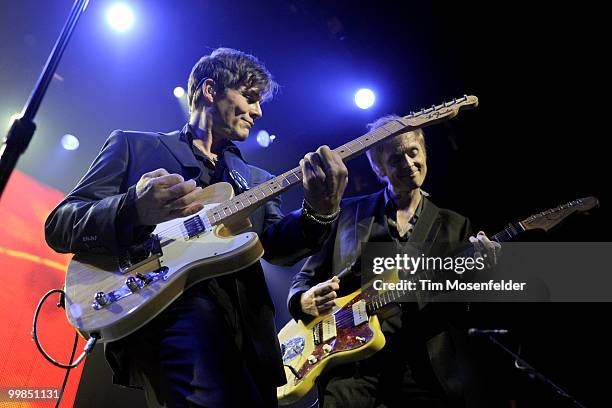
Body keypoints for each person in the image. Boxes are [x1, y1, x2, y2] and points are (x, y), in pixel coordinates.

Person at [45, 48, 348, 407]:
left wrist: (320, 210)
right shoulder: (134, 145)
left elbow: (280, 248)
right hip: (169, 320)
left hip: (250, 342)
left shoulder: (255, 179)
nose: (258, 111)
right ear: (210, 90)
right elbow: (61, 223)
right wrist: (132, 208)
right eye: (250, 98)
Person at [287, 115, 500, 407]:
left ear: (424, 153)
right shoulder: (347, 213)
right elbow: (304, 280)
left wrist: (481, 277)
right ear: (378, 167)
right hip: (350, 372)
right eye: (395, 158)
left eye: (413, 152)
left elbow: (463, 313)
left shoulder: (454, 226)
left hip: (421, 369)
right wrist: (302, 300)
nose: (408, 163)